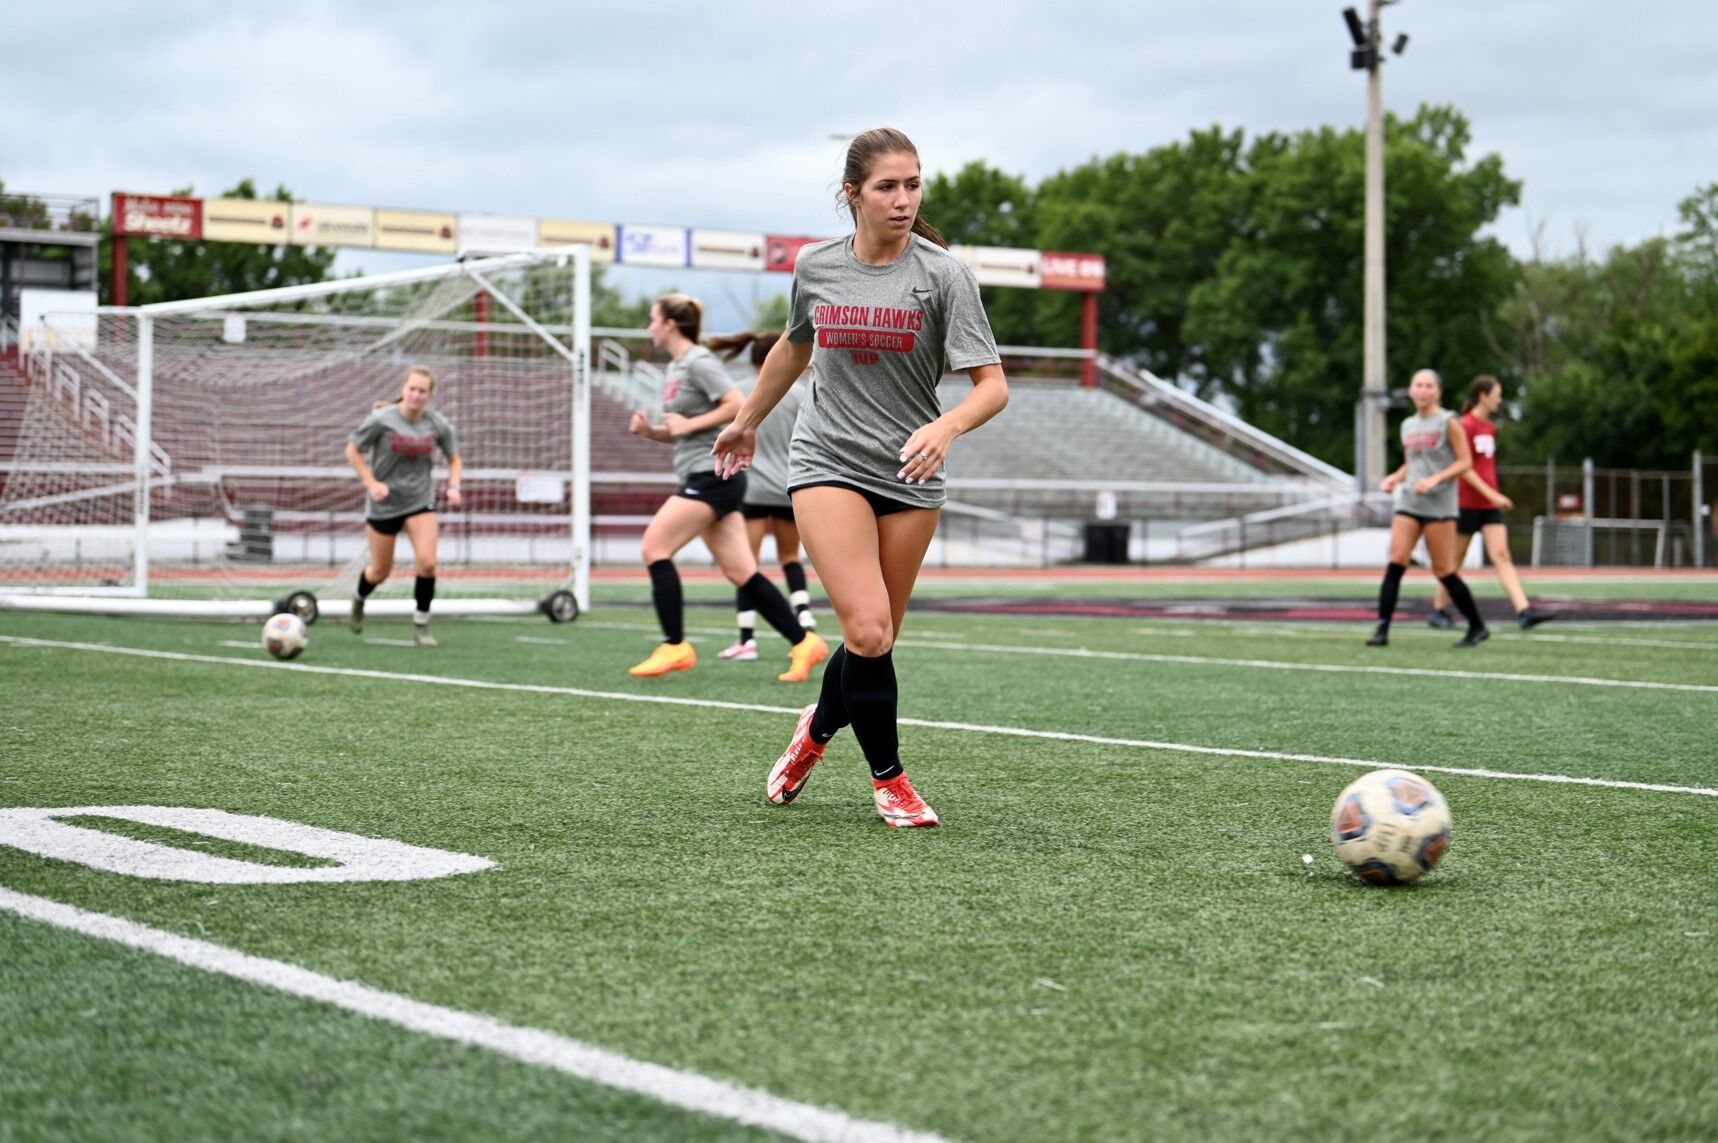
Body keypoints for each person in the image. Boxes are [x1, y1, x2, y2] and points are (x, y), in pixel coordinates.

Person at [713, 126, 1009, 828]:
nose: (903, 198)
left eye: (913, 184)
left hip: (909, 474)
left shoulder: (944, 276)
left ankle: (814, 731)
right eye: (887, 186)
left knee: (870, 639)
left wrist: (946, 426)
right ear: (853, 193)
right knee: (870, 630)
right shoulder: (817, 266)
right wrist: (750, 416)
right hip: (827, 462)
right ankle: (892, 782)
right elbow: (794, 345)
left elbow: (992, 387)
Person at [626, 293, 828, 682]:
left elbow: (736, 403)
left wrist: (688, 426)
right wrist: (654, 432)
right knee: (741, 571)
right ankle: (804, 642)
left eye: (653, 319)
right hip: (706, 473)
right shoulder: (677, 367)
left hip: (712, 477)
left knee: (655, 546)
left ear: (669, 324)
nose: (649, 326)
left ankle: (674, 645)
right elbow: (691, 433)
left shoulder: (698, 361)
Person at [705, 330, 818, 662]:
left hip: (752, 487)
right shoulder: (800, 393)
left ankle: (747, 639)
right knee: (789, 558)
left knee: (747, 566)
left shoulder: (740, 393)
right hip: (788, 485)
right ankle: (805, 618)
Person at [1366, 368, 1489, 649]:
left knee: (1444, 570)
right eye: (1418, 385)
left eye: (1428, 385)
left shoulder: (1448, 421)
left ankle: (1477, 625)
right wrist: (1395, 478)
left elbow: (1464, 462)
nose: (1422, 390)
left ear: (1438, 392)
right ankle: (1382, 628)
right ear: (1410, 390)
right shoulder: (1408, 425)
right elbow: (1413, 462)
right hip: (1410, 501)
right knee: (1396, 561)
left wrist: (1436, 479)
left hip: (1439, 506)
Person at [344, 365, 462, 648]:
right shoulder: (382, 419)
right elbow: (352, 450)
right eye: (412, 389)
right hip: (384, 504)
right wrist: (371, 483)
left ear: (430, 395)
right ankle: (359, 599)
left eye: (422, 391)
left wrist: (454, 486)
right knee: (379, 572)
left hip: (419, 501)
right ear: (404, 389)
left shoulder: (437, 424)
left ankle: (421, 625)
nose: (416, 395)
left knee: (428, 562)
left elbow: (454, 457)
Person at [1427, 375, 1555, 631]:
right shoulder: (1465, 424)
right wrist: (1492, 495)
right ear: (1483, 396)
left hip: (1488, 506)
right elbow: (1465, 468)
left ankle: (1524, 611)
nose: (1500, 399)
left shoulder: (1490, 428)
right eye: (1497, 394)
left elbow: (1486, 467)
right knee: (1454, 560)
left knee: (1502, 555)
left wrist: (1493, 496)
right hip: (1466, 503)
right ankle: (1438, 609)